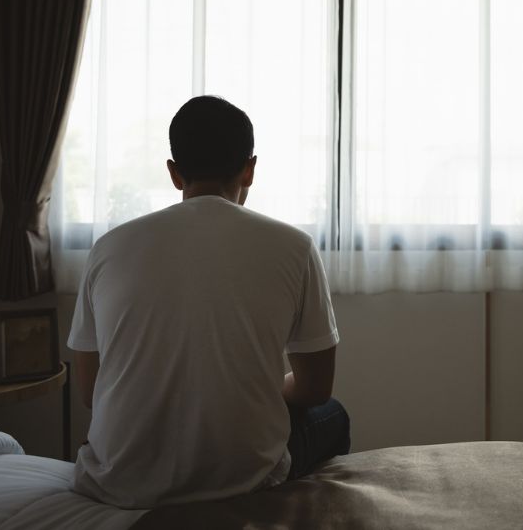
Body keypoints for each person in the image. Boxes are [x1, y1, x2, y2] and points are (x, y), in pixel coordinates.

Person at [67, 95, 349, 509]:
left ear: (175, 173)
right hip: (244, 477)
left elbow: (92, 392)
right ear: (250, 169)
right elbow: (315, 389)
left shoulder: (108, 248)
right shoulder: (294, 247)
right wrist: (250, 391)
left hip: (120, 481)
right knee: (335, 415)